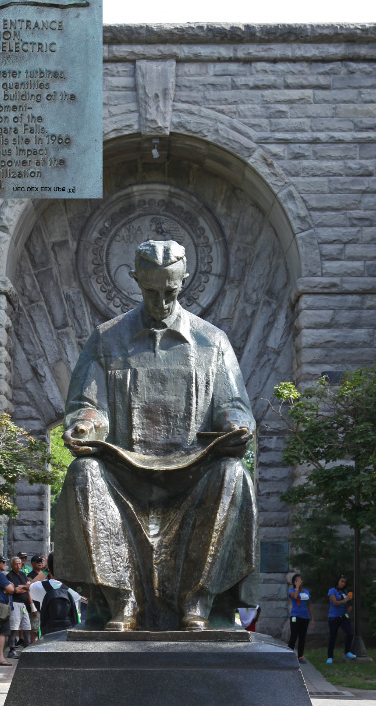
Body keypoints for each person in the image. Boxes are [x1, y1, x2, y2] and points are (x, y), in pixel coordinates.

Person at [55, 239, 258, 632]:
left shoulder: (212, 342)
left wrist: (236, 425)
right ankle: (121, 599)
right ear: (135, 282)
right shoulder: (106, 338)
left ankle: (197, 599)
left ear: (184, 281)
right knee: (82, 474)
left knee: (233, 473)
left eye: (171, 291)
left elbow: (235, 405)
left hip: (192, 478)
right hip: (124, 476)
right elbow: (86, 403)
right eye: (151, 291)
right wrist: (85, 424)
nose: (162, 301)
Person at [29, 552, 83, 634]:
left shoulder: (39, 587)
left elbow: (31, 584)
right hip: (69, 631)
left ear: (49, 568)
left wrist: (47, 570)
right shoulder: (76, 588)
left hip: (47, 632)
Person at [6, 556, 37, 655]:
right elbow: (15, 590)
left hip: (24, 604)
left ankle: (27, 648)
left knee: (27, 626)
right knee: (14, 627)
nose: (18, 565)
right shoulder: (9, 576)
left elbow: (29, 587)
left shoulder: (23, 575)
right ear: (12, 565)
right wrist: (25, 587)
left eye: (19, 563)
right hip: (14, 603)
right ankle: (12, 649)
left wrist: (23, 587)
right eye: (16, 564)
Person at [326, 574, 357, 664]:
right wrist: (345, 600)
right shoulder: (332, 591)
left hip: (343, 616)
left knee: (350, 633)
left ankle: (347, 652)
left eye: (345, 582)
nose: (343, 583)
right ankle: (330, 657)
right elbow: (335, 603)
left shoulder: (345, 592)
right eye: (342, 581)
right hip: (333, 617)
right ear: (338, 581)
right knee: (333, 637)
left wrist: (349, 607)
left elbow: (347, 603)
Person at [287, 573, 312, 663]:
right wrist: (297, 587)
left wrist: (312, 619)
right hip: (295, 616)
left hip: (305, 617)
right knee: (294, 636)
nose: (299, 581)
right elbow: (295, 596)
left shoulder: (306, 592)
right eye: (297, 580)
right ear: (294, 582)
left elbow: (309, 605)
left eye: (300, 580)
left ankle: (300, 656)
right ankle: (289, 655)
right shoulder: (292, 590)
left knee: (302, 637)